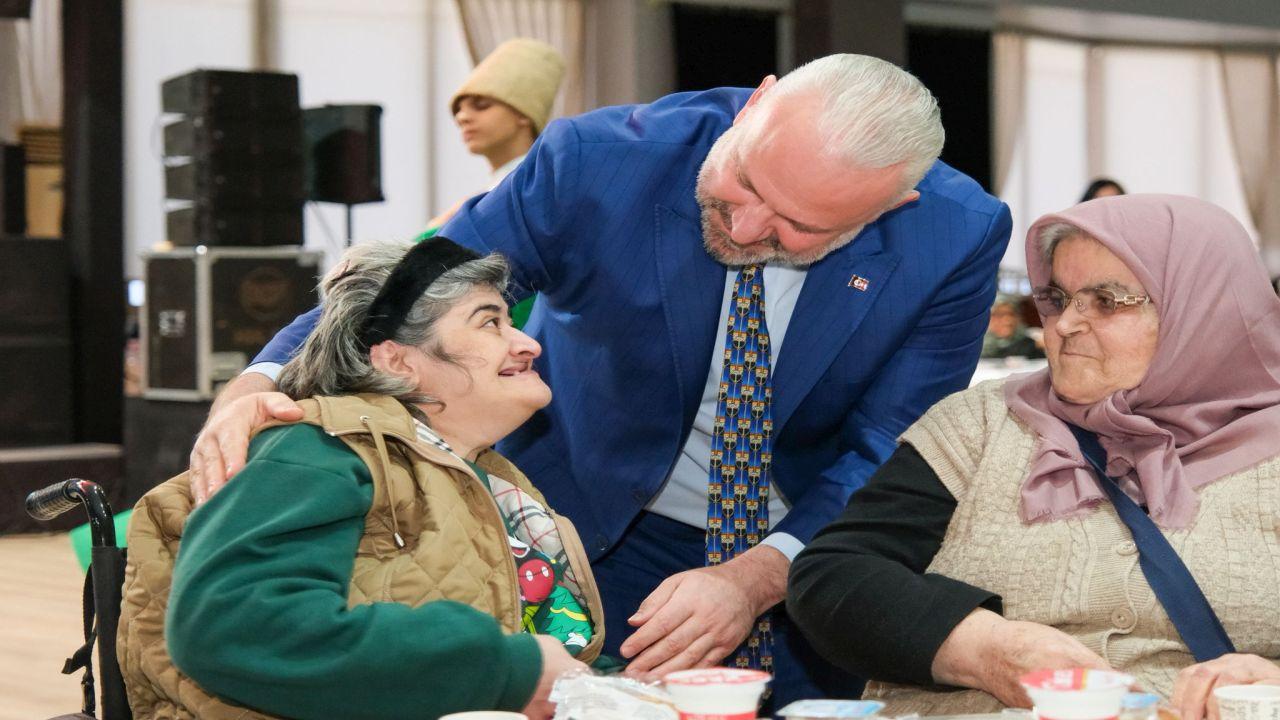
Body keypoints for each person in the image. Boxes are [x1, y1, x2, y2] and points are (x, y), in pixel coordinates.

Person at [188, 54, 1012, 706]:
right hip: (592, 522)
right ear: (755, 105)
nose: (750, 226)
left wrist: (761, 575)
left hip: (804, 543)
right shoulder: (601, 160)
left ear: (892, 206)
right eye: (748, 184)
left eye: (801, 228)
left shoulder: (955, 233)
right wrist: (260, 384)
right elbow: (418, 284)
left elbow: (892, 443)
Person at [787, 195, 1280, 719]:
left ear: (1204, 308)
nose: (1064, 324)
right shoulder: (980, 424)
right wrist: (983, 650)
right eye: (1058, 297)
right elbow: (833, 576)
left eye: (1107, 300)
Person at [117, 240, 602, 720]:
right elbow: (229, 624)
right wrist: (510, 672)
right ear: (398, 361)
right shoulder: (318, 446)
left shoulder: (491, 476)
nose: (528, 342)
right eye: (490, 321)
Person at [426, 38, 565, 229]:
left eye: (481, 105)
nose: (462, 117)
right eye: (459, 109)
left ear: (523, 115)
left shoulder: (541, 192)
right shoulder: (495, 194)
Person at [981, 294, 1043, 359]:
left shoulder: (1029, 345)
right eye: (999, 315)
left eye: (1011, 314)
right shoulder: (976, 347)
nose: (1007, 321)